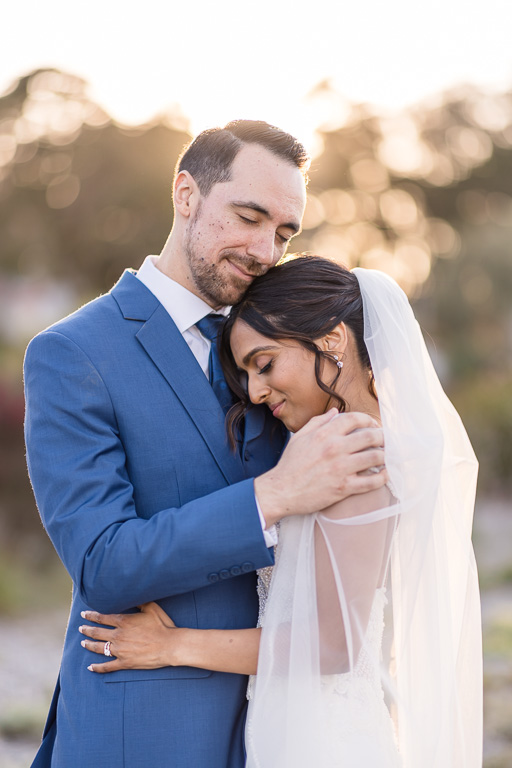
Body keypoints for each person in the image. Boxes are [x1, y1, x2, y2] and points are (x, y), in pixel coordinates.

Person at [24, 124, 388, 768]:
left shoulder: (285, 348)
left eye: (282, 233)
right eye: (248, 217)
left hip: (291, 724)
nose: (263, 249)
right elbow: (104, 564)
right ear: (186, 194)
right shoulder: (74, 354)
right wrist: (273, 495)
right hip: (147, 728)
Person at [79, 256, 482, 767]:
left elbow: (334, 646)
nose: (254, 391)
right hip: (294, 724)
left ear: (332, 340)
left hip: (322, 742)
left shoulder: (358, 458)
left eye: (264, 364)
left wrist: (172, 645)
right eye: (246, 373)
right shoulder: (341, 446)